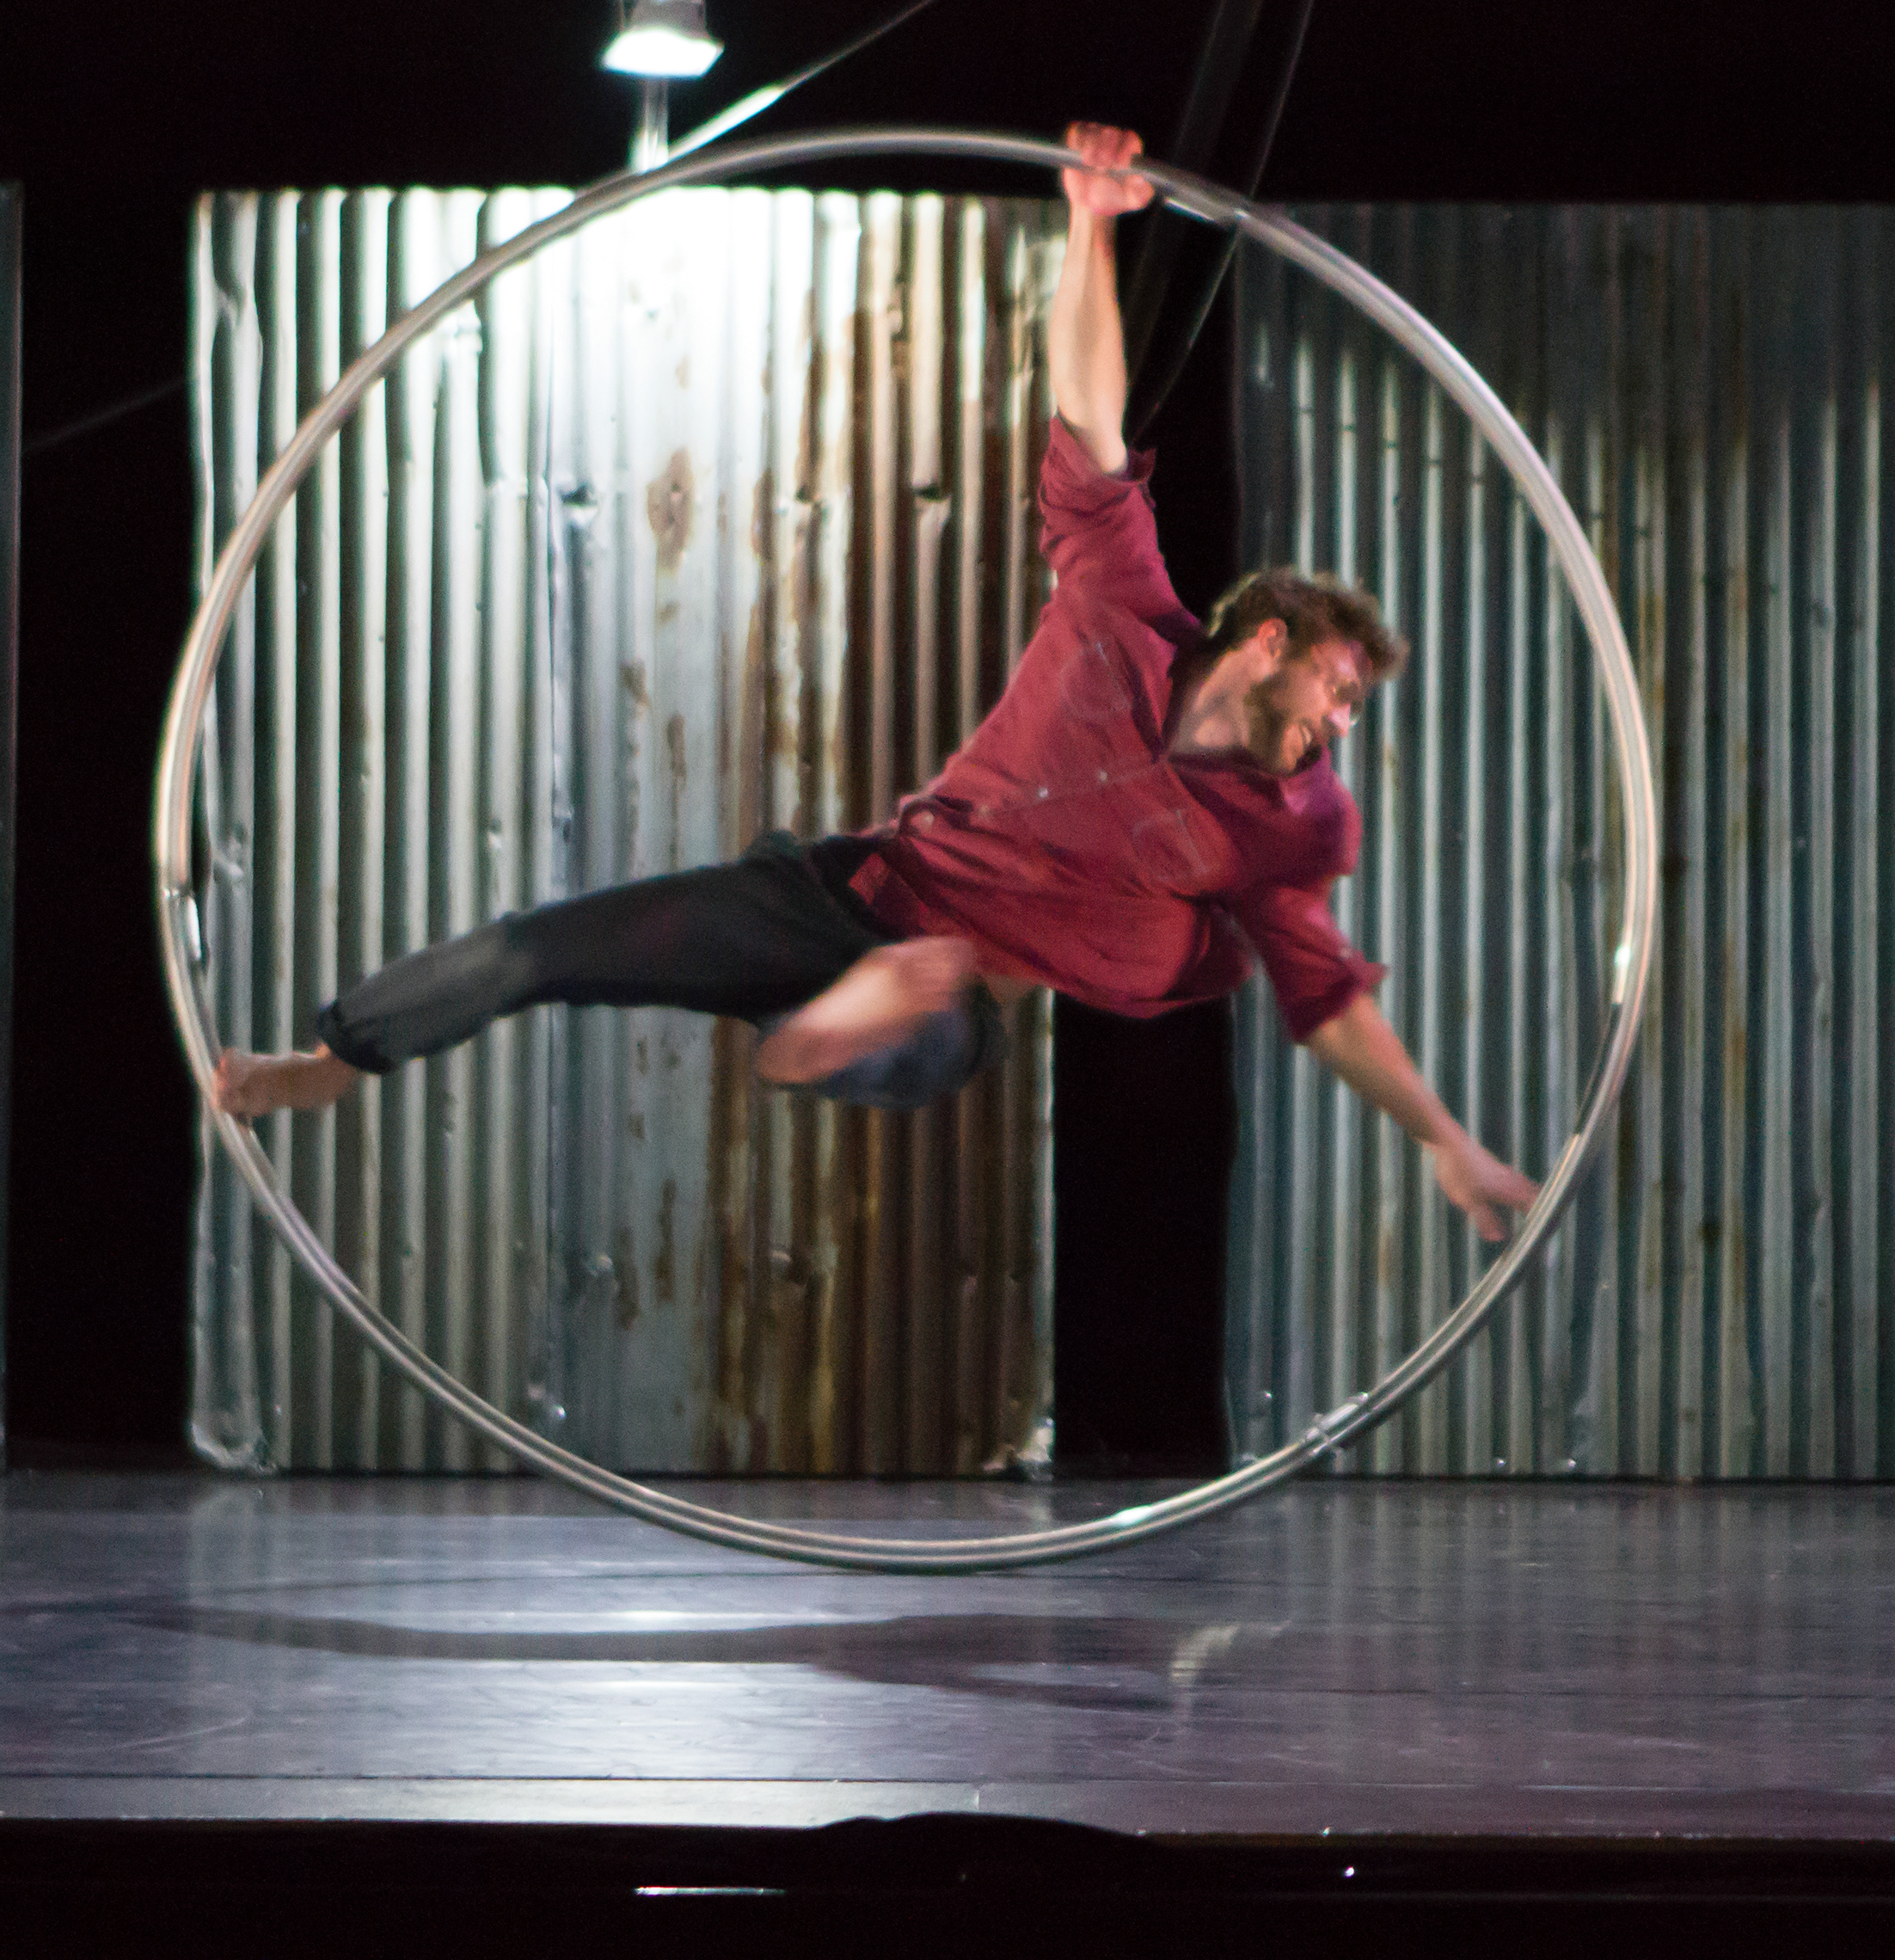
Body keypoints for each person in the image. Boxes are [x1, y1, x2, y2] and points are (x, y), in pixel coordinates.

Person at [215, 123, 1542, 1242]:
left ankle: (828, 1039)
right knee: (535, 950)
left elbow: (1326, 994)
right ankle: (328, 1064)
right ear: (1267, 639)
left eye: (1351, 713)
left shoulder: (1292, 822)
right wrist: (1089, 227)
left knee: (924, 1022)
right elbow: (1087, 411)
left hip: (963, 981)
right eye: (1335, 688)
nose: (1336, 725)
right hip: (836, 894)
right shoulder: (1119, 599)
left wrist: (1446, 1144)